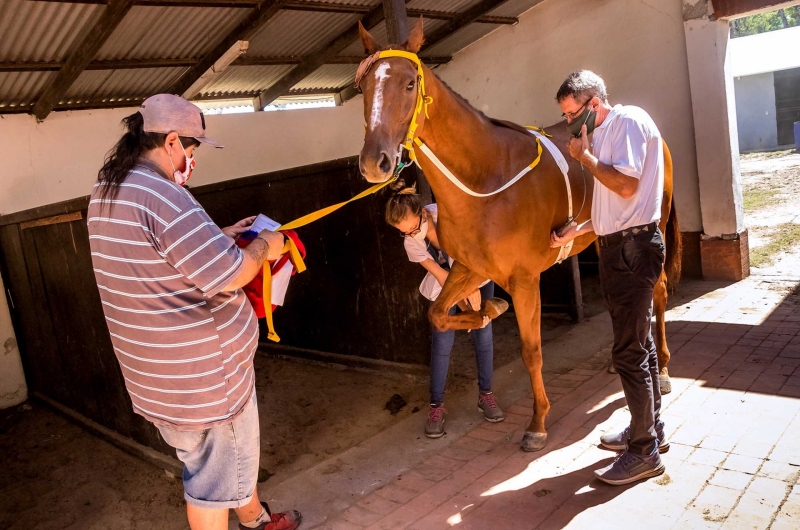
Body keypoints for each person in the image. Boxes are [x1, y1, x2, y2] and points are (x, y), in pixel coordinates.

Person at [87, 94, 301, 530]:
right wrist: (267, 245)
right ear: (170, 142)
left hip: (159, 378)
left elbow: (155, 257)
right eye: (191, 149)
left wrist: (218, 234)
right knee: (211, 482)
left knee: (231, 460)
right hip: (205, 381)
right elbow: (231, 273)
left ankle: (256, 519)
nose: (191, 159)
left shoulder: (109, 189)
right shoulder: (163, 194)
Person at [550, 71, 668, 486]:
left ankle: (644, 453)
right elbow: (612, 209)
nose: (569, 123)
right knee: (642, 346)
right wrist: (577, 230)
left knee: (629, 353)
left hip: (633, 251)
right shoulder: (603, 136)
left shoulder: (628, 123)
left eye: (571, 114)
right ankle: (649, 430)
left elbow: (627, 186)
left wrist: (585, 159)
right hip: (621, 245)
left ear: (594, 104)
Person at [385, 181, 505, 438]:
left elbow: (472, 248)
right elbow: (441, 275)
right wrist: (464, 294)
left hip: (479, 272)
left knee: (483, 334)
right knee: (442, 341)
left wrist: (472, 285)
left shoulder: (446, 213)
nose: (410, 235)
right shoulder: (410, 241)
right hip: (447, 285)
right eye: (403, 232)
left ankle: (486, 395)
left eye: (413, 228)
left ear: (422, 212)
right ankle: (436, 406)